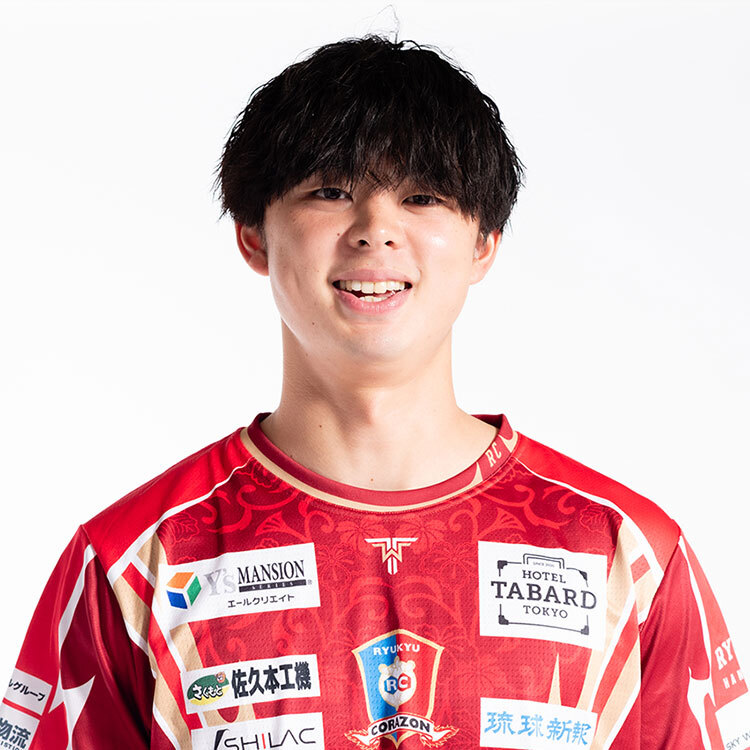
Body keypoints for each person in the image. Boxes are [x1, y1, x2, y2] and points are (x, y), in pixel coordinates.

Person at [1, 34, 747, 750]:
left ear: (484, 242)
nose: (375, 231)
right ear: (254, 235)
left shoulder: (626, 553)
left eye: (422, 197)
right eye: (331, 191)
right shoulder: (134, 562)